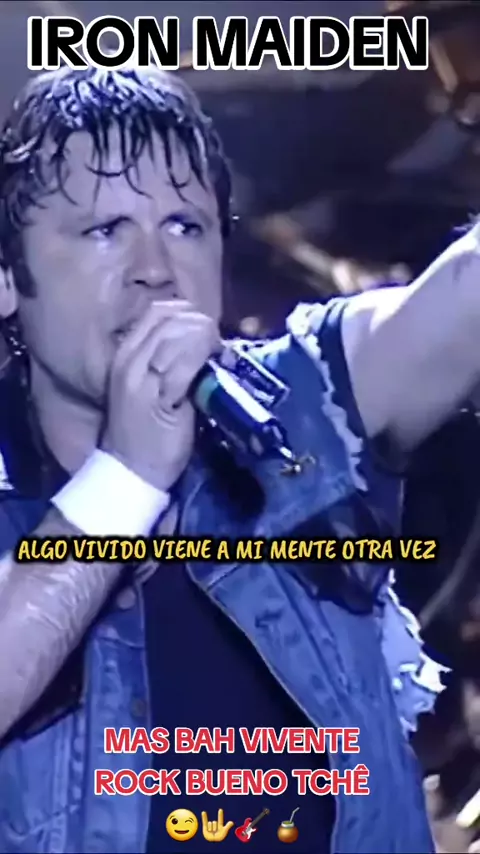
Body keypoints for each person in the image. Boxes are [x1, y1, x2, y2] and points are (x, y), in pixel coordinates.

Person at [0, 62, 477, 854]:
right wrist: (128, 475)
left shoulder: (304, 402)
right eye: (104, 230)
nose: (156, 267)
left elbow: (465, 291)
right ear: (8, 278)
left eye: (185, 226)